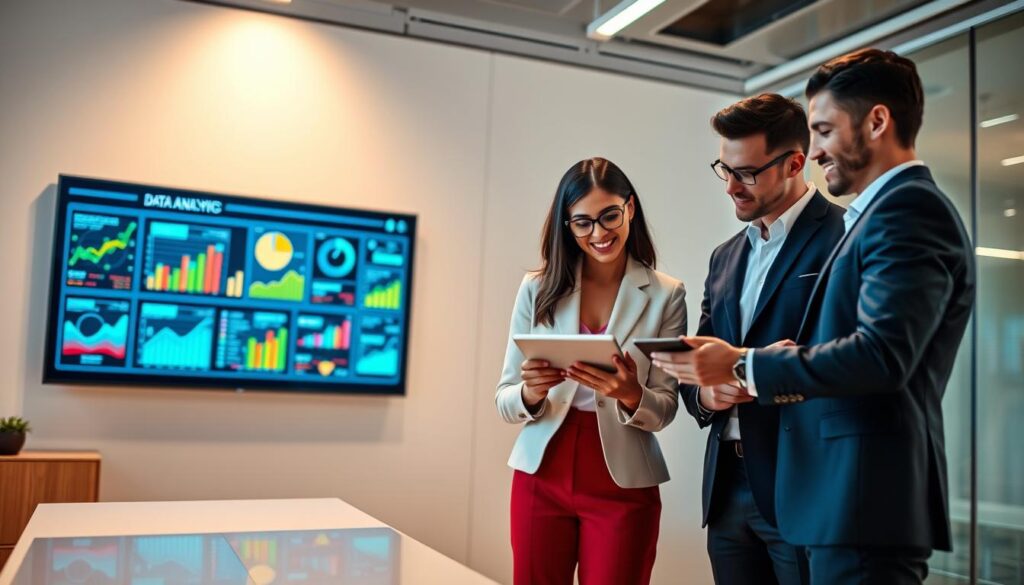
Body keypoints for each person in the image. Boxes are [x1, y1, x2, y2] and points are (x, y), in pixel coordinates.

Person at [656, 49, 976, 584]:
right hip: (837, 501)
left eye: (823, 130)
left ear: (876, 121)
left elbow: (881, 354)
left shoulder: (905, 209)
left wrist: (743, 368)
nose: (818, 148)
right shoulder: (876, 216)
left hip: (859, 499)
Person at [675, 93, 844, 585]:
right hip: (726, 488)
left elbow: (852, 362)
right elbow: (697, 364)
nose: (730, 187)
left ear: (796, 163)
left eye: (746, 173)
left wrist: (761, 375)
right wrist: (706, 392)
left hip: (804, 484)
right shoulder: (724, 257)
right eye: (724, 169)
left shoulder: (844, 239)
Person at [495, 157, 686, 585]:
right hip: (541, 472)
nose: (599, 233)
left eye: (609, 216)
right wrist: (530, 394)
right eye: (582, 223)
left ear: (629, 209)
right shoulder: (538, 288)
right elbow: (504, 399)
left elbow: (666, 409)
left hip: (623, 479)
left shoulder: (667, 294)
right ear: (568, 226)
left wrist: (632, 393)